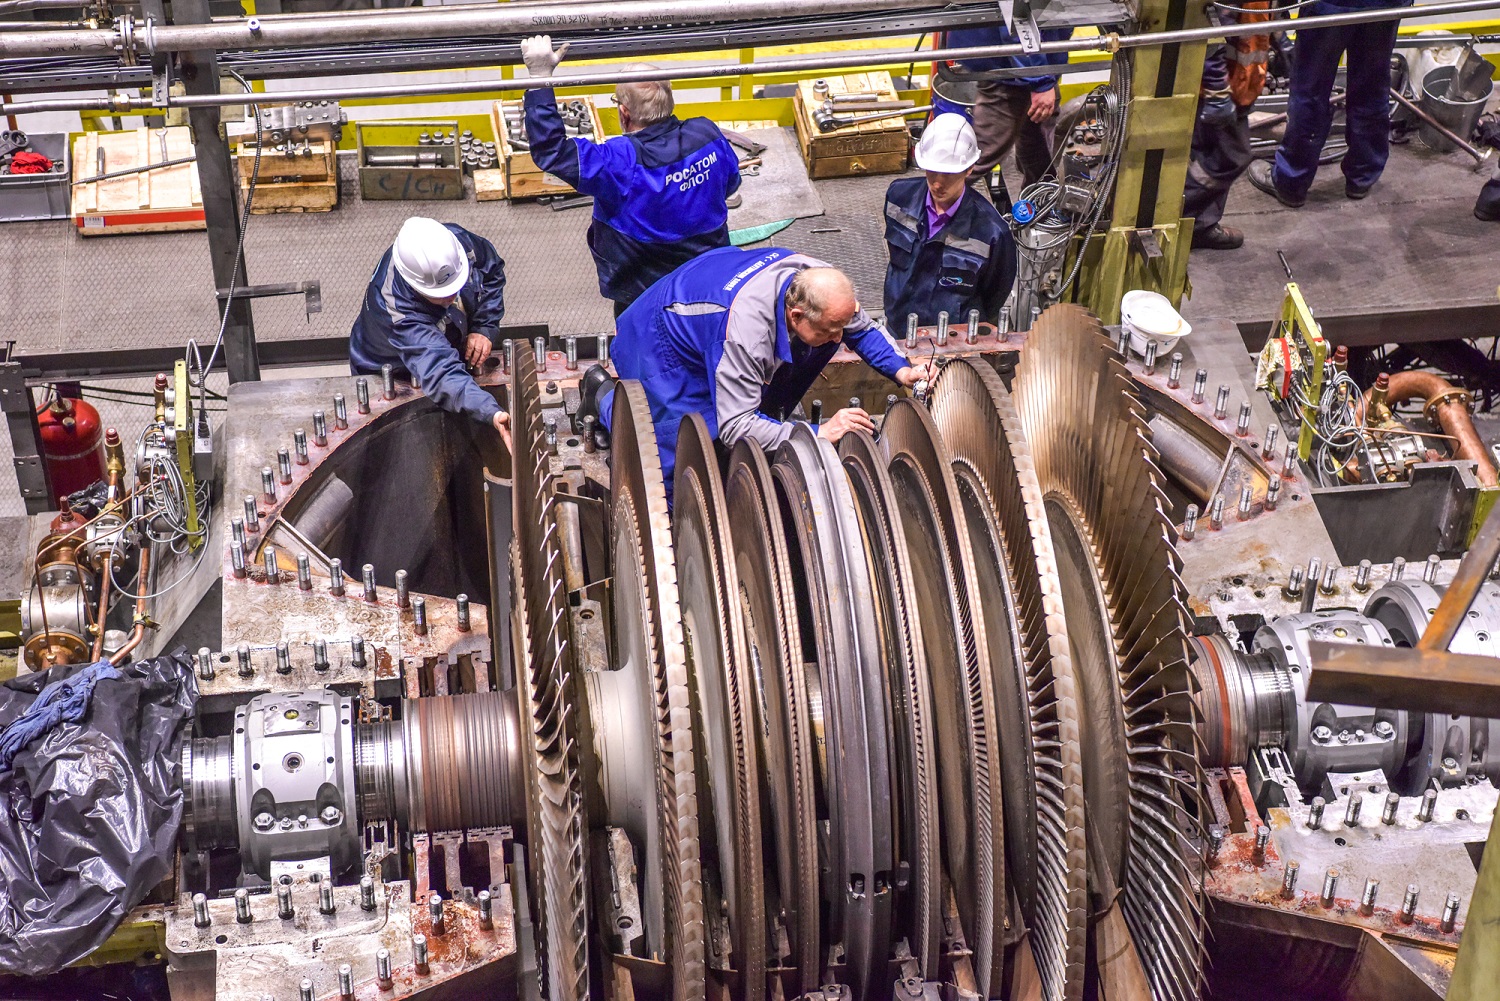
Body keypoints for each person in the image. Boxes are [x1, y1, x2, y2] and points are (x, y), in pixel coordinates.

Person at [578, 247, 933, 502]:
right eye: (831, 329)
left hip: (711, 301)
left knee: (762, 403)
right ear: (796, 316)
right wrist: (819, 433)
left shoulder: (820, 284)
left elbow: (861, 328)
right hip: (665, 338)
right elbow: (735, 426)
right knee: (677, 452)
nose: (841, 337)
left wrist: (902, 369)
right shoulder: (746, 335)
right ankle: (602, 396)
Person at [520, 35, 742, 316]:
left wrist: (540, 79)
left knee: (640, 342)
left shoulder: (620, 161)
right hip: (712, 283)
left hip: (644, 298)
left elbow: (553, 152)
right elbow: (730, 184)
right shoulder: (706, 133)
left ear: (624, 114)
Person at [349, 217, 511, 448]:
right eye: (441, 294)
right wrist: (490, 411)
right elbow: (441, 371)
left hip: (440, 345)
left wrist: (483, 327)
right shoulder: (397, 310)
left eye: (456, 286)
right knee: (404, 447)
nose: (452, 297)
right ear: (414, 285)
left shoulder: (458, 244)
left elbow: (492, 273)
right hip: (391, 371)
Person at [1246, 0, 1410, 207]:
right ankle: (1362, 176)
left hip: (1330, 5)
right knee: (1371, 86)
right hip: (1386, 4)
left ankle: (1291, 181)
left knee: (1311, 91)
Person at [883, 113, 1016, 326]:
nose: (938, 183)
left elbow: (995, 295)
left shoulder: (991, 232)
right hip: (897, 328)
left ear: (969, 168)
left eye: (949, 174)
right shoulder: (899, 197)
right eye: (933, 171)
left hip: (954, 338)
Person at [941, 22, 1073, 197]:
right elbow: (1017, 20)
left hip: (1029, 58)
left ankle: (1039, 199)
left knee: (1035, 133)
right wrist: (1039, 79)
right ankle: (926, 204)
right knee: (980, 155)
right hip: (1012, 63)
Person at [1184, 2, 1273, 250]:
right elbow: (1209, 27)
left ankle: (1200, 225)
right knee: (1227, 159)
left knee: (1211, 154)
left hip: (1239, 83)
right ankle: (1175, 215)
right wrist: (1217, 91)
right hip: (1221, 87)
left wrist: (1279, 38)